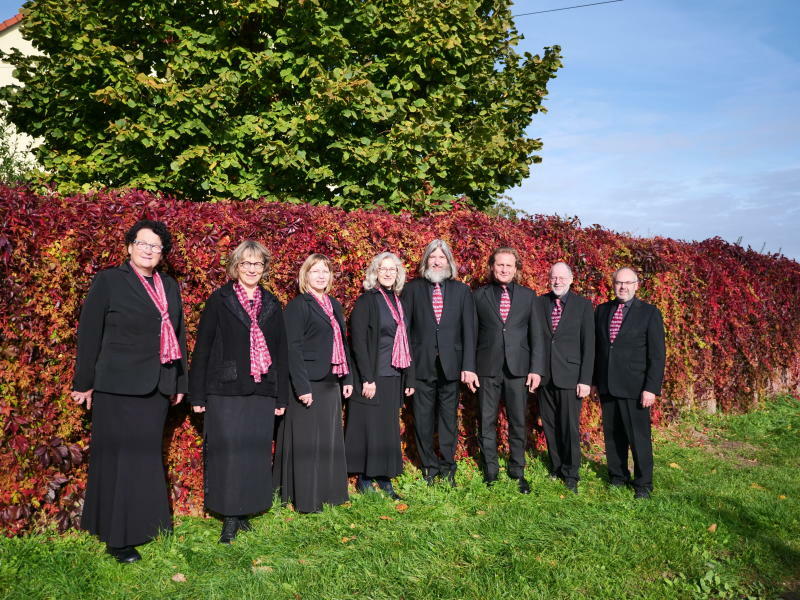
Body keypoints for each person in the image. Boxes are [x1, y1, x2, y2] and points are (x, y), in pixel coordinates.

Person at [71, 219, 188, 563]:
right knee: (120, 462)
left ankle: (149, 524)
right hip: (117, 388)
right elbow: (90, 334)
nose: (149, 250)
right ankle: (117, 538)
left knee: (147, 459)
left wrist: (180, 381)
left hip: (156, 387)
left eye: (156, 246)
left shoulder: (169, 285)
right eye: (143, 244)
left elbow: (178, 334)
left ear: (162, 254)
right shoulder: (109, 281)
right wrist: (83, 383)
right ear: (129, 246)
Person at [189, 240, 290, 543]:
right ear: (236, 266)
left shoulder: (273, 303)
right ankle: (230, 516)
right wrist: (197, 394)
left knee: (255, 453)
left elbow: (282, 352)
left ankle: (248, 510)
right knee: (229, 454)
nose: (251, 269)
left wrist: (281, 395)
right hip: (226, 389)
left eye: (257, 264)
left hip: (262, 390)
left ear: (264, 268)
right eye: (246, 263)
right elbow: (203, 346)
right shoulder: (219, 300)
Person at [274, 253, 353, 513]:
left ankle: (329, 494)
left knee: (328, 441)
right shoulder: (299, 305)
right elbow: (291, 349)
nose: (321, 276)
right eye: (315, 271)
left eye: (325, 271)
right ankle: (308, 500)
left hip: (331, 382)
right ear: (305, 276)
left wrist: (347, 377)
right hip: (308, 383)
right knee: (309, 443)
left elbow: (343, 344)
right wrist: (302, 387)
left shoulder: (333, 305)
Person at [402, 239, 477, 486]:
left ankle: (448, 468)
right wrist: (409, 373)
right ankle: (429, 468)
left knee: (448, 420)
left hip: (451, 366)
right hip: (422, 366)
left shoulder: (462, 291)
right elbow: (405, 333)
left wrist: (468, 365)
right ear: (426, 261)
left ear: (449, 262)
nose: (437, 261)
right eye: (433, 257)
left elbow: (469, 332)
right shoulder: (412, 290)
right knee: (422, 420)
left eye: (442, 257)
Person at [473, 248, 545, 494]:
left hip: (518, 369)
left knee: (517, 422)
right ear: (492, 266)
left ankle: (518, 471)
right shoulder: (479, 295)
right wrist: (470, 368)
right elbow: (471, 334)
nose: (504, 269)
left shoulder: (528, 296)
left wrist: (536, 368)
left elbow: (537, 335)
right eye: (500, 265)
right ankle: (491, 471)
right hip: (487, 368)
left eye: (509, 266)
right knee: (486, 421)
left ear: (516, 269)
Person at [346, 252, 415, 500]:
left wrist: (409, 378)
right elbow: (359, 343)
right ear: (375, 273)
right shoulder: (367, 302)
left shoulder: (398, 302)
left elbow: (407, 341)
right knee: (369, 427)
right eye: (383, 269)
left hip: (394, 374)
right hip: (374, 375)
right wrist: (367, 378)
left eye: (392, 269)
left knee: (387, 429)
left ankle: (384, 477)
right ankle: (365, 478)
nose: (388, 273)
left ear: (398, 274)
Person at [593, 267, 666, 499]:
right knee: (613, 435)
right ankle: (618, 476)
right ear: (613, 285)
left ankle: (643, 483)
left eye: (627, 283)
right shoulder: (602, 311)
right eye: (618, 283)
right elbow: (598, 349)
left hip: (636, 388)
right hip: (607, 385)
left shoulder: (649, 313)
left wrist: (651, 388)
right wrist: (595, 381)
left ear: (636, 285)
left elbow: (657, 355)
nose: (622, 287)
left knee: (638, 438)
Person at [537, 262, 594, 494]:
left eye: (562, 277)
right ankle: (557, 466)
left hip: (571, 377)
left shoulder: (582, 306)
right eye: (553, 277)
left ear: (571, 279)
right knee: (549, 425)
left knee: (569, 426)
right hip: (545, 377)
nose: (557, 281)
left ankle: (571, 473)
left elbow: (589, 346)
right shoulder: (540, 303)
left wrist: (585, 379)